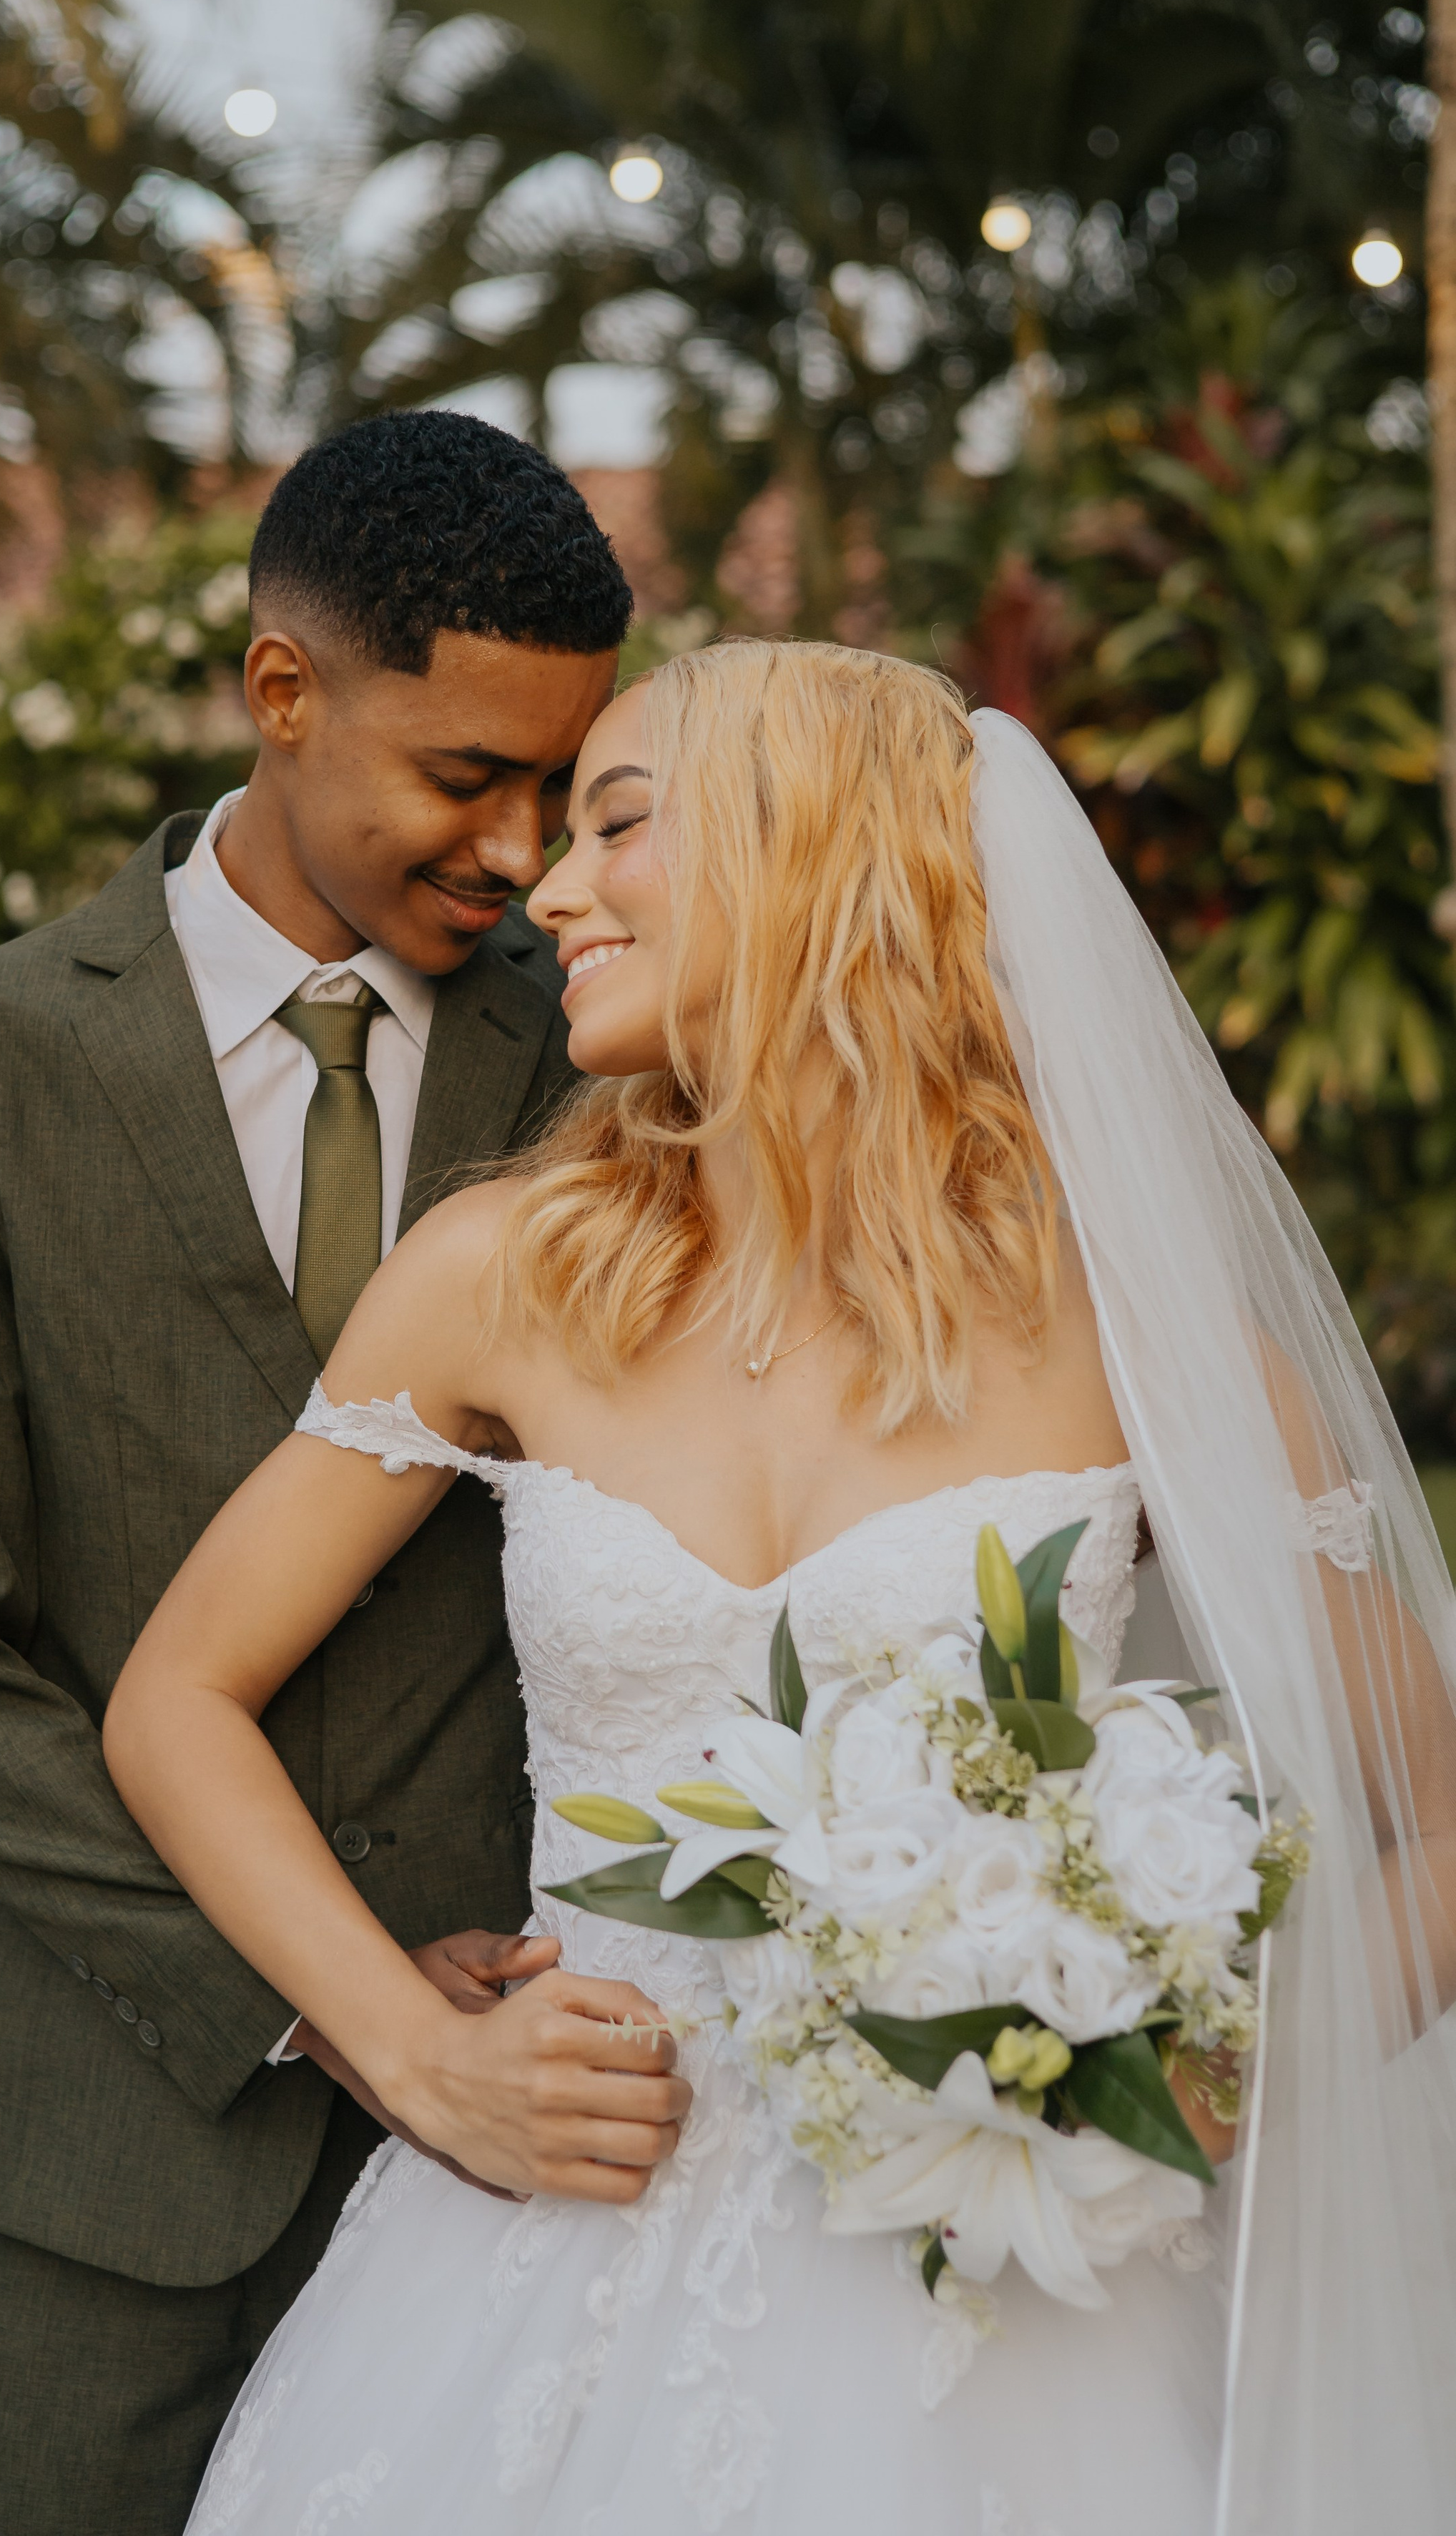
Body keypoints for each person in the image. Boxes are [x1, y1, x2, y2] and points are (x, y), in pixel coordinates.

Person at [107, 642, 1456, 2534]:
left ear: (816, 850)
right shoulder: (503, 1270)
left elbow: (1439, 1799)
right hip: (550, 2238)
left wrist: (1201, 2073)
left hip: (1020, 2297)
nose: (550, 889)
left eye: (619, 824)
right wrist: (423, 2058)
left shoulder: (1132, 1310)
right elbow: (178, 1697)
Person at [0, 409, 676, 2536]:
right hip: (98, 2164)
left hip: (515, 2188)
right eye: (467, 774)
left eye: (561, 786)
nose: (517, 849)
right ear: (283, 691)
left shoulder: (600, 1062)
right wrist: (356, 2016)